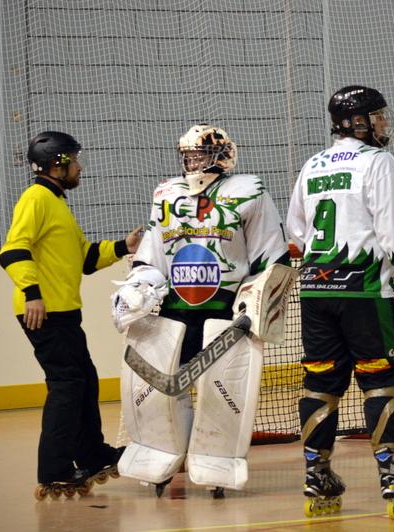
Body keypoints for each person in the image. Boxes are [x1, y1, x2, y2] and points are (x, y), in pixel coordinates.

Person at [287, 85, 394, 518]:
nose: (381, 123)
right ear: (356, 120)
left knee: (319, 382)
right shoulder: (379, 162)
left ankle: (316, 473)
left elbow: (297, 231)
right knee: (380, 381)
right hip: (364, 290)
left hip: (317, 291)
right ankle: (391, 473)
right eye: (375, 116)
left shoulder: (312, 165)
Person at [113, 124, 290, 497]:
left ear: (223, 155)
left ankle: (218, 461)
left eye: (200, 154)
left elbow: (271, 256)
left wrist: (259, 304)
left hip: (225, 309)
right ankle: (162, 456)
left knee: (222, 389)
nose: (191, 161)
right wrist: (138, 287)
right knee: (159, 386)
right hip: (174, 308)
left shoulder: (249, 191)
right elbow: (152, 252)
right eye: (187, 155)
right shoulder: (166, 193)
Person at [0, 131, 142, 500]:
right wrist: (32, 294)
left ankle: (92, 456)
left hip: (63, 311)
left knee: (83, 382)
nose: (80, 166)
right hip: (43, 313)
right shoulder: (35, 199)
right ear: (58, 165)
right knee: (66, 387)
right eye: (74, 160)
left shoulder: (56, 202)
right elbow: (13, 251)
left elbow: (83, 257)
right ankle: (55, 470)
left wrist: (124, 247)